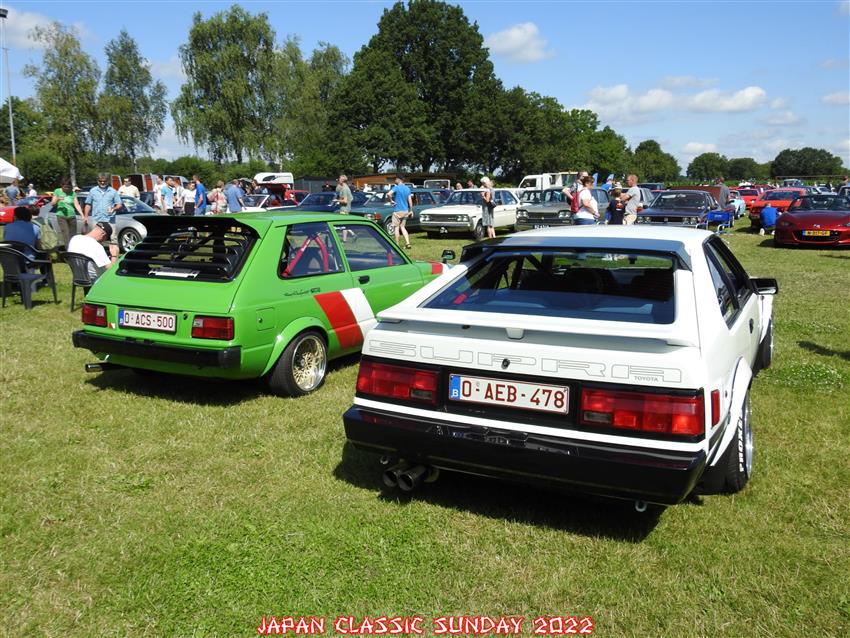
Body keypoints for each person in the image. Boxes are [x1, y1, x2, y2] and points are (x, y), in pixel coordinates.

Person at [84, 174, 122, 246]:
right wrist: (85, 216)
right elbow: (88, 204)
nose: (102, 183)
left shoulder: (113, 191)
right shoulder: (93, 191)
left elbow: (119, 204)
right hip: (96, 219)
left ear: (107, 181)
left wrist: (114, 208)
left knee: (113, 240)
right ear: (97, 181)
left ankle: (113, 252)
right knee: (95, 239)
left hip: (110, 220)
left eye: (104, 181)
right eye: (100, 181)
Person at [51, 179, 83, 248]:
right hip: (61, 216)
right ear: (62, 186)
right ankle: (68, 249)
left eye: (68, 187)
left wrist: (82, 214)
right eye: (65, 187)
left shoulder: (72, 193)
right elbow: (52, 204)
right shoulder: (57, 191)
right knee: (66, 234)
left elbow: (77, 205)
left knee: (73, 235)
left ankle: (74, 249)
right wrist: (58, 199)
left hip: (72, 216)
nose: (67, 189)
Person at [388, 176, 413, 249]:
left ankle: (397, 245)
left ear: (399, 180)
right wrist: (411, 210)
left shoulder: (396, 187)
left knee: (396, 228)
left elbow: (389, 194)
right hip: (405, 211)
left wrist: (391, 201)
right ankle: (408, 243)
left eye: (395, 179)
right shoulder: (407, 188)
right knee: (403, 227)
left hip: (397, 211)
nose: (395, 180)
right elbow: (410, 201)